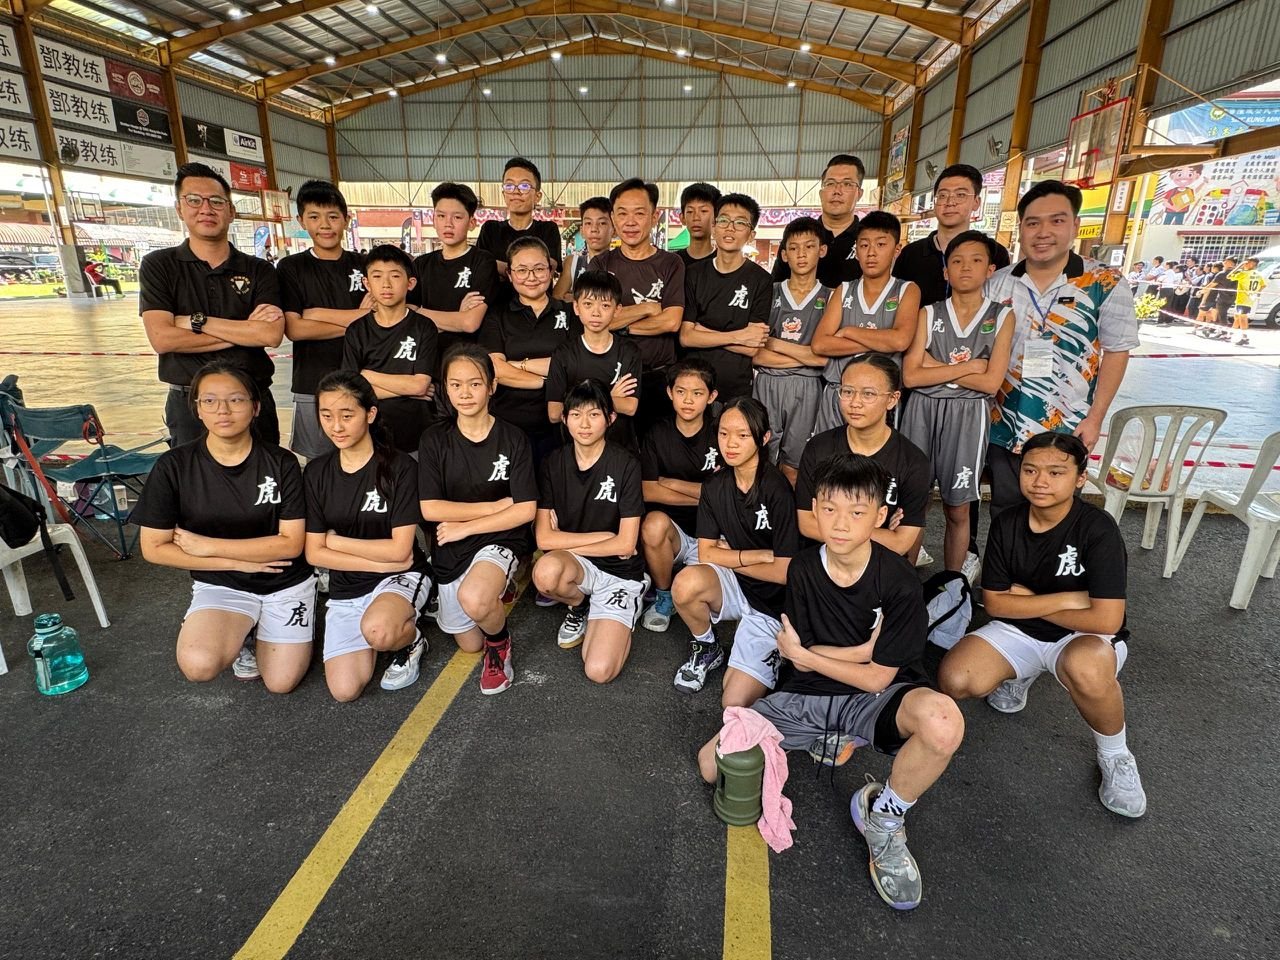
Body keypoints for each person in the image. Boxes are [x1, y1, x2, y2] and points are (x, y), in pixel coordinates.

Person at [697, 454, 964, 912]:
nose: (841, 524)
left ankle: (885, 816)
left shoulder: (899, 579)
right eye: (830, 509)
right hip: (807, 694)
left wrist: (813, 655)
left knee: (943, 722)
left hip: (877, 696)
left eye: (857, 512)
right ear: (815, 510)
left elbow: (876, 675)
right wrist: (854, 651)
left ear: (880, 515)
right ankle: (833, 736)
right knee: (711, 765)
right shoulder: (803, 569)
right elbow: (798, 655)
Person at [938, 431, 1146, 818]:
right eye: (1030, 470)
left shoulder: (1098, 529)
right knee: (956, 678)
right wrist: (1065, 599)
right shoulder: (1007, 523)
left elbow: (1106, 619)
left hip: (1084, 637)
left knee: (1085, 668)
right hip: (1021, 630)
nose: (1040, 481)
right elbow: (995, 603)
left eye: (1056, 472)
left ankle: (1116, 755)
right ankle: (1024, 672)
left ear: (1080, 478)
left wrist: (1028, 601)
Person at [133, 361, 314, 692]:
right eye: (210, 400)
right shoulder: (174, 466)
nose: (223, 410)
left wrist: (208, 546)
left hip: (284, 580)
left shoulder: (281, 463)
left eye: (236, 399)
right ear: (197, 409)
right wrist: (234, 562)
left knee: (281, 682)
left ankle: (266, 627)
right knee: (198, 664)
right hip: (222, 581)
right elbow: (154, 548)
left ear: (255, 407)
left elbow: (290, 544)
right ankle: (241, 633)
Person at [984, 180, 1138, 519]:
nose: (1043, 232)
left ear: (1075, 226)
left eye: (1056, 221)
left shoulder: (1105, 283)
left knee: (1058, 514)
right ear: (1021, 228)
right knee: (1005, 511)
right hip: (1004, 422)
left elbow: (1117, 352)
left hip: (1068, 425)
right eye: (1033, 223)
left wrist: (1095, 418)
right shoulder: (997, 284)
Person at [304, 370, 431, 701]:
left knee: (381, 632)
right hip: (350, 584)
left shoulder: (400, 468)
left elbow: (401, 551)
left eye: (347, 416)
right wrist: (379, 563)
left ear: (370, 414)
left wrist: (335, 541)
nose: (336, 426)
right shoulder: (316, 472)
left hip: (400, 576)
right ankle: (383, 625)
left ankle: (411, 640)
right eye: (326, 415)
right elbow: (313, 553)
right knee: (344, 691)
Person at [418, 345, 537, 696]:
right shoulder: (434, 439)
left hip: (499, 537)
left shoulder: (513, 438)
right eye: (455, 385)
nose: (465, 393)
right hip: (453, 542)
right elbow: (430, 508)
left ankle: (500, 645)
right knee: (469, 642)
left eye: (475, 383)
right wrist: (493, 507)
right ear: (445, 388)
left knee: (476, 600)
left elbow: (524, 509)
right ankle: (494, 593)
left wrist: (466, 526)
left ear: (492, 386)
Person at [139, 162, 283, 447]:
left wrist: (197, 322)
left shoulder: (259, 270)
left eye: (216, 201)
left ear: (231, 211)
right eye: (194, 200)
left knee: (265, 472)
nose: (206, 209)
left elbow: (269, 335)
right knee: (194, 476)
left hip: (251, 398)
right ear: (179, 209)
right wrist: (245, 331)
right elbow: (162, 338)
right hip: (189, 403)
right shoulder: (159, 265)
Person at [901, 231, 1015, 576]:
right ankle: (902, 583)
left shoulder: (1001, 317)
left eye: (976, 260)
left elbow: (991, 383)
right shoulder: (929, 313)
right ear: (945, 271)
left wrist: (934, 366)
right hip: (921, 411)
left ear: (990, 270)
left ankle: (953, 586)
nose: (966, 267)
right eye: (957, 261)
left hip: (968, 416)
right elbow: (911, 376)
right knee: (913, 505)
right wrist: (969, 367)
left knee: (958, 508)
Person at [670, 397, 798, 699]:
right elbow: (706, 553)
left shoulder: (777, 488)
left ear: (763, 438)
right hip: (736, 582)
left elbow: (783, 573)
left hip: (773, 605)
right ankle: (707, 646)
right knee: (686, 584)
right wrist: (754, 556)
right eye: (724, 433)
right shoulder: (715, 486)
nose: (730, 443)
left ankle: (776, 650)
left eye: (742, 435)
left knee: (733, 699)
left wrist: (727, 557)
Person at [532, 380, 649, 684]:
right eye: (576, 414)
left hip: (619, 572)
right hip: (579, 565)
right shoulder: (552, 463)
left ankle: (628, 602)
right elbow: (543, 539)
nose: (584, 424)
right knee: (545, 572)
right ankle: (579, 604)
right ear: (564, 418)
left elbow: (626, 546)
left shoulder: (626, 464)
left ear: (610, 418)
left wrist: (565, 540)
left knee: (598, 670)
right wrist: (605, 538)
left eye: (594, 414)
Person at [796, 354, 929, 558]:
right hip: (823, 558)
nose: (855, 402)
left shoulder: (913, 461)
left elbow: (901, 543)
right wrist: (881, 533)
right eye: (847, 391)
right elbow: (806, 524)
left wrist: (830, 526)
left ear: (892, 399)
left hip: (880, 565)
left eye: (868, 394)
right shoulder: (819, 448)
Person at [278, 179, 368, 461]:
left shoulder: (365, 265)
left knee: (366, 460)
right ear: (301, 221)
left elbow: (378, 320)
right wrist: (358, 318)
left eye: (333, 217)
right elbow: (295, 328)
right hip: (311, 384)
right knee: (319, 465)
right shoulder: (291, 267)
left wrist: (315, 314)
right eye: (315, 217)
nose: (325, 225)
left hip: (362, 379)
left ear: (346, 220)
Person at [589, 178, 686, 436]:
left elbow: (671, 321)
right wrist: (647, 307)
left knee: (658, 449)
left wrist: (619, 325)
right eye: (622, 213)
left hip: (659, 378)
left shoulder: (671, 263)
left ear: (654, 217)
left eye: (639, 213)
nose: (630, 222)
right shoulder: (600, 265)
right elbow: (593, 320)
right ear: (613, 218)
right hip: (612, 378)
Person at [811, 211, 920, 433]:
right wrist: (881, 341)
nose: (871, 252)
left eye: (881, 244)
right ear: (857, 250)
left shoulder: (907, 290)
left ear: (896, 249)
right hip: (839, 393)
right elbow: (820, 344)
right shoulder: (844, 290)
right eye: (864, 245)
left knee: (876, 456)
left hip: (878, 399)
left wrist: (849, 330)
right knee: (829, 453)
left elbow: (900, 340)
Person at [638, 359, 721, 632]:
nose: (688, 400)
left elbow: (728, 494)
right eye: (681, 391)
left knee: (703, 594)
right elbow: (649, 489)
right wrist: (705, 494)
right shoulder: (657, 433)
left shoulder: (721, 433)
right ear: (669, 393)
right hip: (675, 532)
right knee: (653, 524)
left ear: (711, 396)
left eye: (697, 393)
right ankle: (663, 596)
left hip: (714, 532)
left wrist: (672, 483)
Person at [480, 236, 578, 461]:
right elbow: (496, 369)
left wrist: (518, 365)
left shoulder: (570, 313)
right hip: (508, 425)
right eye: (522, 270)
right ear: (510, 274)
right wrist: (547, 381)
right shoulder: (497, 316)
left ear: (551, 271)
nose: (531, 277)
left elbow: (573, 364)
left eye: (539, 269)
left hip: (562, 425)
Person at [752, 216, 832, 485]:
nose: (801, 254)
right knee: (760, 460)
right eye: (794, 248)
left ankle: (793, 513)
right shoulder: (769, 291)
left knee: (794, 467)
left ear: (822, 250)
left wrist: (775, 344)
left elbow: (824, 359)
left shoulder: (832, 296)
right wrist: (806, 356)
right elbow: (756, 353)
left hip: (807, 388)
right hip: (767, 383)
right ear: (784, 254)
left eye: (809, 247)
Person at [340, 244, 438, 455]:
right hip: (371, 436)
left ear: (410, 283)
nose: (386, 284)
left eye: (395, 276)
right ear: (366, 283)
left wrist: (366, 375)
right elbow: (351, 392)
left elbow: (420, 385)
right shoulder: (356, 330)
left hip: (417, 435)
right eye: (377, 276)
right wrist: (406, 389)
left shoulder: (424, 327)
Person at [679, 192, 774, 404]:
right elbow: (686, 337)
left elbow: (752, 346)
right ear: (714, 227)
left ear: (751, 234)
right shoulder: (693, 274)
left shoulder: (761, 280)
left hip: (735, 388)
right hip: (693, 385)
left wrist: (703, 332)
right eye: (723, 220)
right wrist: (739, 336)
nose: (730, 228)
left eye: (740, 223)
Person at [408, 182, 496, 402]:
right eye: (441, 216)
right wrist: (456, 315)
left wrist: (420, 312)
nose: (448, 223)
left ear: (472, 223)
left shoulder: (482, 262)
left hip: (469, 371)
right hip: (428, 370)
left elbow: (470, 323)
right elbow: (407, 319)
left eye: (457, 217)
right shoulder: (421, 265)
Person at [546, 269, 642, 447]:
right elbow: (554, 412)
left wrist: (576, 402)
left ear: (617, 309)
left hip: (618, 446)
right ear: (576, 307)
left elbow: (630, 407)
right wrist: (608, 397)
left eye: (605, 306)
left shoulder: (629, 351)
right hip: (574, 448)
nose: (596, 313)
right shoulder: (564, 353)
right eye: (588, 304)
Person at [892, 164, 1010, 306]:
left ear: (976, 202)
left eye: (960, 195)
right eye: (942, 195)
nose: (950, 202)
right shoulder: (911, 254)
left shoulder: (995, 254)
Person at [771, 154, 866, 287]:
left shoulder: (867, 239)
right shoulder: (799, 236)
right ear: (821, 193)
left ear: (859, 194)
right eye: (830, 184)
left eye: (847, 184)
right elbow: (776, 286)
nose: (837, 191)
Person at [477, 157, 563, 303]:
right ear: (504, 194)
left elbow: (549, 267)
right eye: (509, 186)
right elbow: (481, 266)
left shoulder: (548, 229)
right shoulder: (490, 229)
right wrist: (530, 268)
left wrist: (498, 266)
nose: (516, 192)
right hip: (497, 308)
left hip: (537, 310)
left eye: (524, 186)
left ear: (537, 196)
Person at [553, 196, 613, 299]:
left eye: (602, 223)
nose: (594, 229)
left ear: (614, 230)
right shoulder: (573, 262)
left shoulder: (623, 264)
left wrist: (576, 298)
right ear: (582, 231)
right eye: (588, 223)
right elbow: (558, 297)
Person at [677, 182, 721, 266]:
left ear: (716, 217)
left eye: (703, 211)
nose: (696, 218)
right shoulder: (673, 262)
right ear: (682, 218)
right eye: (690, 211)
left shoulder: (723, 262)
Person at [1227, 256, 1264, 347]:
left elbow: (1229, 276)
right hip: (1250, 299)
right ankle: (1230, 334)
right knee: (1237, 317)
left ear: (1252, 264)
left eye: (1247, 263)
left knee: (1242, 317)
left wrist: (1239, 266)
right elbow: (1263, 285)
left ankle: (1245, 337)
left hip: (1243, 299)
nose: (1245, 264)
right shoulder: (1259, 274)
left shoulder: (1244, 273)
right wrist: (1256, 293)